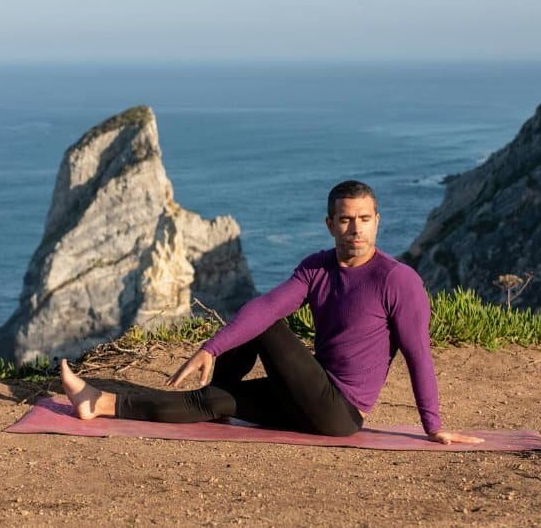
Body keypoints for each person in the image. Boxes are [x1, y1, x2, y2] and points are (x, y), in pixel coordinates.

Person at [59, 179, 483, 444]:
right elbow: (268, 303)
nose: (356, 229)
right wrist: (212, 347)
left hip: (341, 412)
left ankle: (213, 381)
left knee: (266, 328)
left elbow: (418, 354)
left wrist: (433, 425)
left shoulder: (397, 279)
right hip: (305, 395)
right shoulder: (316, 267)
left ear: (377, 221)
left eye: (364, 219)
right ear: (330, 224)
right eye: (346, 220)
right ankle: (99, 403)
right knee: (216, 401)